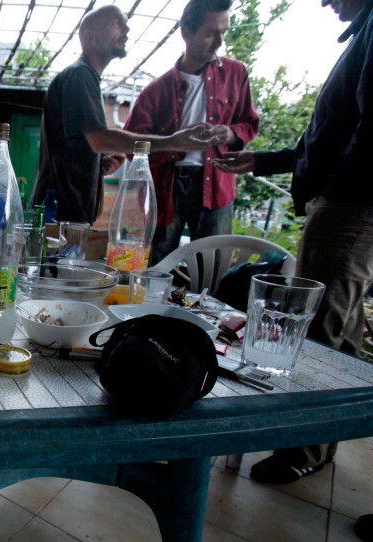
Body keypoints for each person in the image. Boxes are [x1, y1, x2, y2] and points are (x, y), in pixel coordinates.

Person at [212, 0, 373, 524]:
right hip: (344, 198)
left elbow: (365, 132)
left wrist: (335, 190)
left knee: (322, 326)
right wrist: (269, 162)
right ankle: (315, 446)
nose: (324, 2)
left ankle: (301, 449)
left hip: (353, 203)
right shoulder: (363, 30)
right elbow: (325, 136)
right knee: (339, 327)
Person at [31, 5, 218, 225]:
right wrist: (172, 142)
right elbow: (99, 139)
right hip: (59, 215)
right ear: (88, 37)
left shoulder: (83, 78)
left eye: (126, 24)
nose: (127, 30)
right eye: (116, 23)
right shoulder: (79, 76)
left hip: (65, 213)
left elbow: (81, 144)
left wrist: (100, 161)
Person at [123, 0, 260, 266]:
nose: (219, 41)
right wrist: (174, 144)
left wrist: (229, 134)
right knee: (155, 263)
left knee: (213, 265)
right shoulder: (157, 90)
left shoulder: (237, 73)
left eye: (224, 32)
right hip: (167, 186)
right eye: (211, 33)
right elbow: (132, 147)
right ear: (186, 32)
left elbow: (249, 123)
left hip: (217, 184)